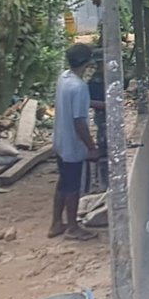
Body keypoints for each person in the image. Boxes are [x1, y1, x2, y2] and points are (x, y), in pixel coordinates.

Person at [50, 43, 98, 240]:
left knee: (63, 182)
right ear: (87, 63)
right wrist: (91, 147)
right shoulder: (80, 87)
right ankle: (72, 227)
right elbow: (79, 122)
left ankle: (56, 223)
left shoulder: (64, 78)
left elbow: (73, 104)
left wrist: (100, 104)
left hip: (60, 142)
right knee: (73, 187)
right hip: (73, 145)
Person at [86, 53, 108, 192]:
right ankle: (102, 182)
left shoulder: (107, 77)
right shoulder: (95, 80)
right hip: (101, 114)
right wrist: (105, 105)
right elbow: (89, 101)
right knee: (103, 144)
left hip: (106, 114)